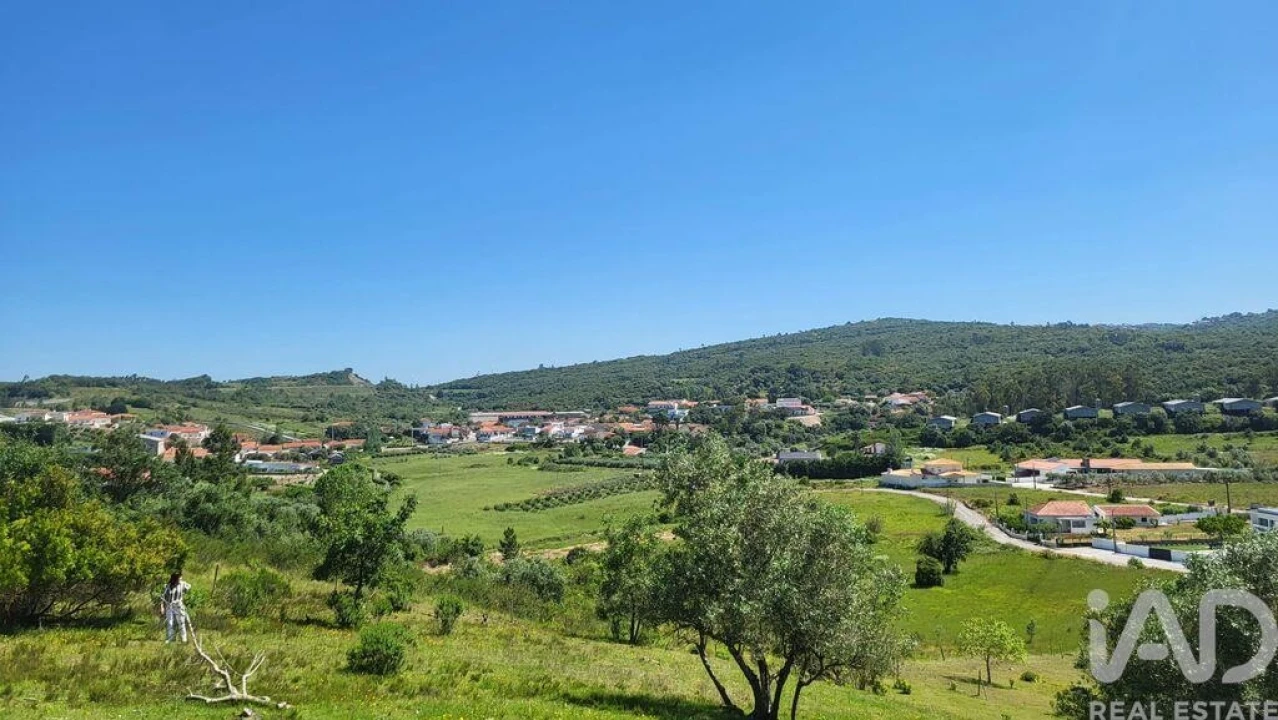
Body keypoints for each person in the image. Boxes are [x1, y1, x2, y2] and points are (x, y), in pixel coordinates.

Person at [160, 571, 192, 643]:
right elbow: (162, 597)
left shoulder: (182, 584)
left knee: (181, 622)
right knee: (170, 623)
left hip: (179, 606)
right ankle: (170, 638)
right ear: (174, 578)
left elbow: (189, 586)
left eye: (180, 577)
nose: (179, 578)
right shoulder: (167, 586)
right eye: (178, 577)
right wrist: (162, 607)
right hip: (169, 606)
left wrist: (184, 591)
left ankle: (184, 639)